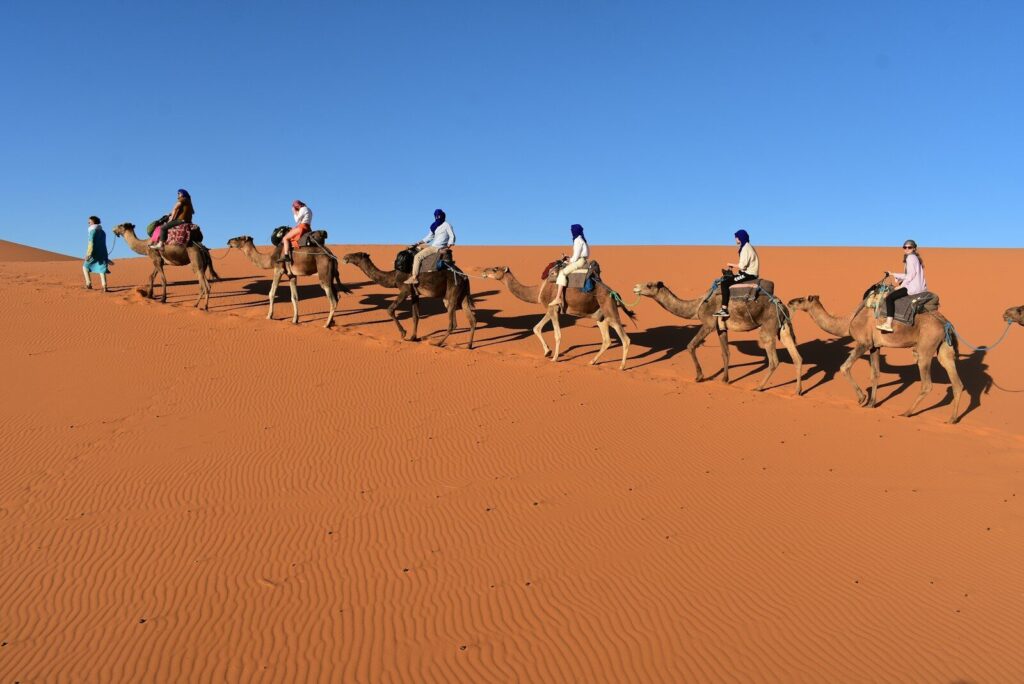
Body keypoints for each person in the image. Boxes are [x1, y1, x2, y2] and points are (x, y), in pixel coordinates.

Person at [876, 239, 927, 332]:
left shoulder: (910, 258)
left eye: (909, 247)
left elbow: (910, 275)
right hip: (919, 287)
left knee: (889, 298)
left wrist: (902, 286)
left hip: (913, 287)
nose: (907, 249)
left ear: (914, 248)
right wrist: (893, 274)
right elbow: (908, 275)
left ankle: (888, 324)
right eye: (905, 247)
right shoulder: (915, 258)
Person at [714, 229, 759, 318]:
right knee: (729, 279)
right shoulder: (748, 246)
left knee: (725, 283)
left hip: (749, 274)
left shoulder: (746, 248)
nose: (735, 240)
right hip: (748, 272)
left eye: (736, 238)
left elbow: (742, 266)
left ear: (740, 238)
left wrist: (731, 264)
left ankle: (724, 309)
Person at [404, 209, 456, 285]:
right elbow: (429, 237)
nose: (438, 217)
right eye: (437, 216)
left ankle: (414, 277)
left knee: (417, 257)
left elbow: (452, 236)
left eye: (439, 216)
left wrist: (448, 247)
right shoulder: (434, 226)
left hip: (437, 248)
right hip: (433, 246)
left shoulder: (447, 225)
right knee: (417, 249)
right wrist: (417, 243)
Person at [548, 223, 590, 309]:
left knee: (562, 273)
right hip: (581, 260)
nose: (571, 232)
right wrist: (569, 258)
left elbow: (576, 256)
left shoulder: (577, 240)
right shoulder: (582, 239)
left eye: (572, 230)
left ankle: (558, 298)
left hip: (579, 262)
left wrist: (570, 260)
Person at [82, 216, 112, 291]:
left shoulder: (92, 231)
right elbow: (103, 244)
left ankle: (88, 284)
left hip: (93, 252)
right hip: (102, 252)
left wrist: (88, 254)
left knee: (85, 267)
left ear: (93, 222)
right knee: (102, 269)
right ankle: (104, 286)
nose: (88, 223)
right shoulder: (103, 232)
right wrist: (106, 256)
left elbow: (91, 243)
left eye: (89, 222)